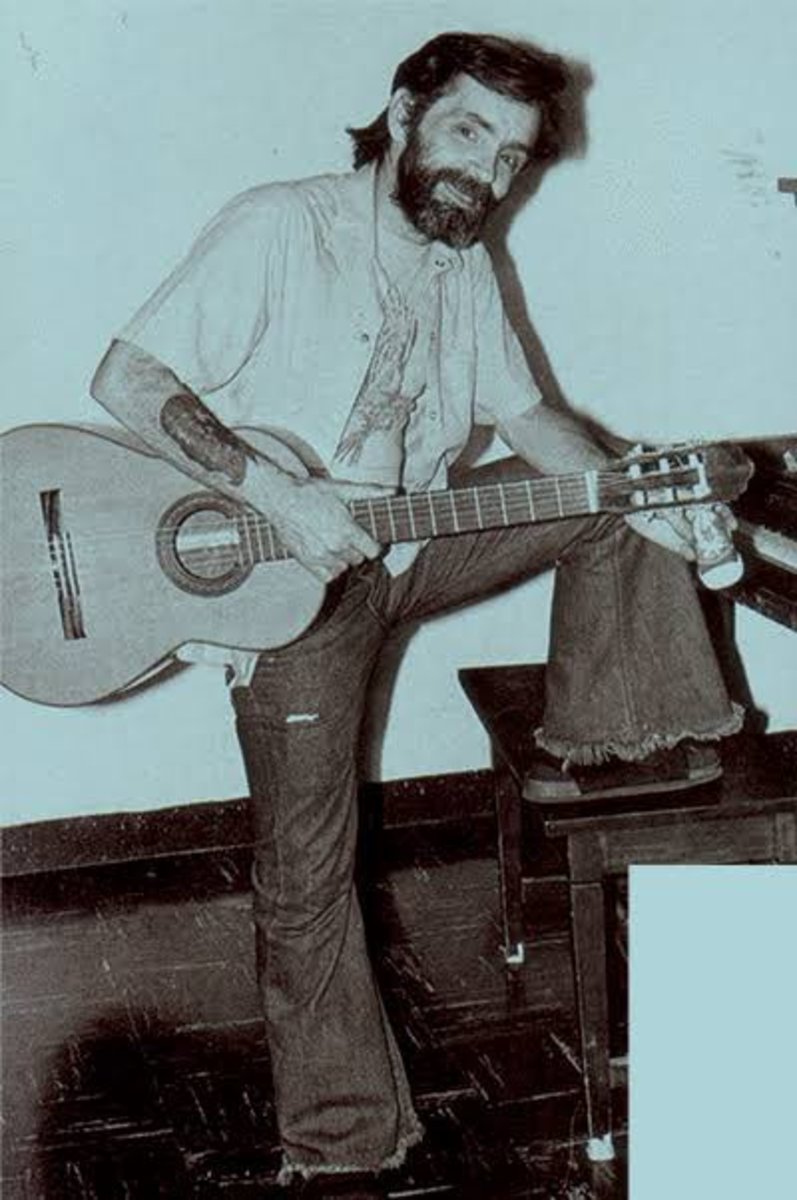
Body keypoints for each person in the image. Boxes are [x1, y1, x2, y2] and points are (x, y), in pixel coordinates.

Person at [90, 31, 742, 1194]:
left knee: (609, 493)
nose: (485, 174)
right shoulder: (279, 225)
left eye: (512, 158)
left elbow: (529, 416)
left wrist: (645, 492)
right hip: (281, 587)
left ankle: (614, 755)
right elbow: (126, 380)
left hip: (406, 543)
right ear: (400, 115)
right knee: (304, 872)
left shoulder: (462, 264)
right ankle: (341, 1151)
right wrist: (277, 494)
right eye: (467, 133)